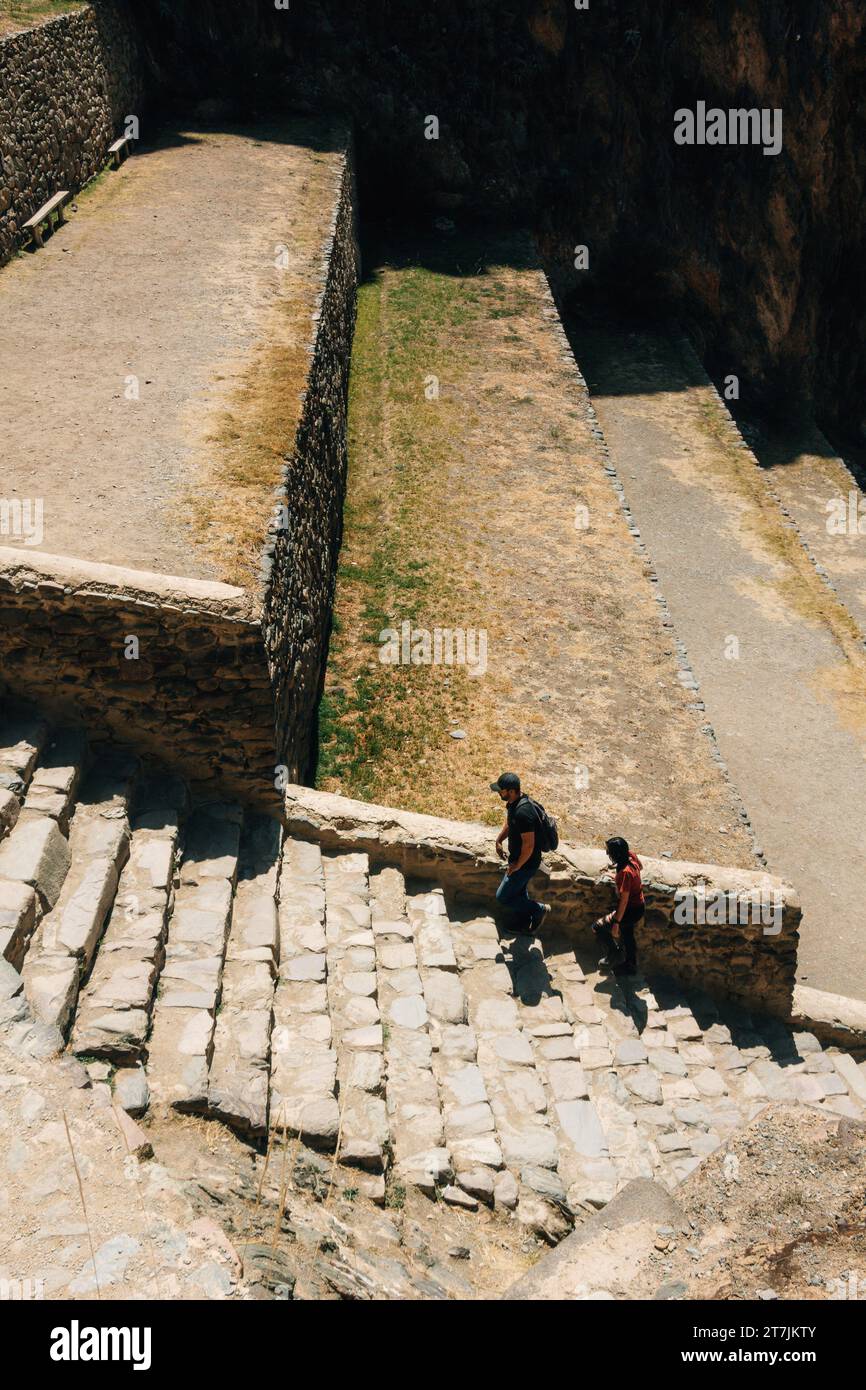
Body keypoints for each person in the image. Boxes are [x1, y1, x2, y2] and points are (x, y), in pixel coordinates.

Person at [490, 772, 551, 934]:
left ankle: (539, 910)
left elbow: (529, 845)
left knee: (502, 896)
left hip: (525, 864)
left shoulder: (523, 813)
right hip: (521, 861)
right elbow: (510, 823)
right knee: (519, 892)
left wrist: (517, 865)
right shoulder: (514, 803)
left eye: (501, 790)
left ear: (510, 791)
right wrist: (499, 840)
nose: (499, 793)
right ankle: (524, 921)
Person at [595, 836, 644, 975]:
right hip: (639, 906)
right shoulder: (631, 857)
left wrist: (616, 922)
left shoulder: (625, 873)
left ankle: (614, 954)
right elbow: (640, 867)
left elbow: (624, 901)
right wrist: (616, 877)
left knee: (598, 927)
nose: (608, 855)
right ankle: (630, 965)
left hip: (630, 910)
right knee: (628, 935)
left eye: (609, 852)